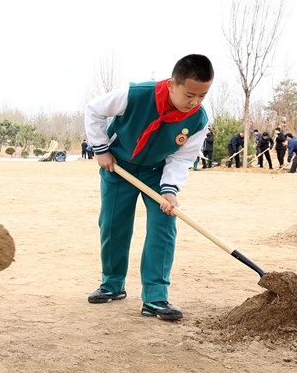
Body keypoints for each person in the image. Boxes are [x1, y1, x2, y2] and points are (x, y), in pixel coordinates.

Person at [83, 54, 213, 321]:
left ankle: (155, 297)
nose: (195, 102)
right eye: (190, 95)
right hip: (119, 167)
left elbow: (182, 158)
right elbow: (94, 109)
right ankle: (112, 284)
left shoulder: (198, 120)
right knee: (112, 225)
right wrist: (101, 149)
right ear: (171, 85)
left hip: (158, 171)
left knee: (164, 226)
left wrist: (170, 190)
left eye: (202, 96)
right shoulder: (136, 94)